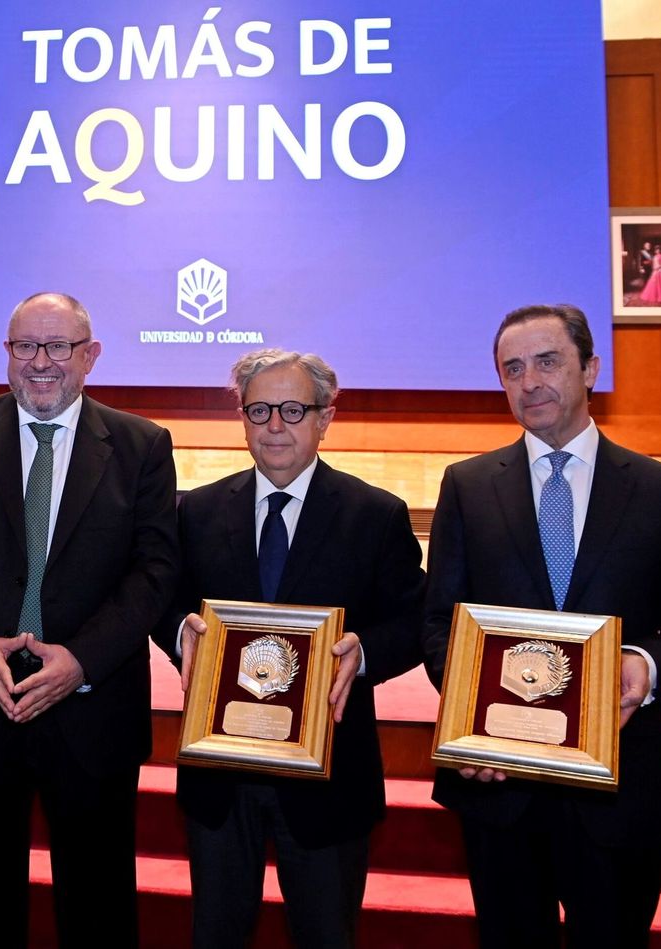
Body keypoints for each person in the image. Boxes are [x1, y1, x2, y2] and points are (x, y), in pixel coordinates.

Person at [423, 304, 661, 948]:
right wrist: (471, 726)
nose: (530, 380)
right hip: (500, 788)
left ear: (591, 368)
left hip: (621, 790)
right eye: (513, 368)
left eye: (547, 361)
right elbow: (439, 628)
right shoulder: (467, 486)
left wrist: (644, 669)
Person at [0, 291, 178, 948]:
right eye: (25, 345)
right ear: (7, 354)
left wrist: (81, 657)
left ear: (90, 356)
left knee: (98, 898)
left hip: (93, 705)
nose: (41, 362)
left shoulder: (142, 445)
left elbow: (155, 572)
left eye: (58, 346)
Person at [155, 349, 426, 948]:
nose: (275, 425)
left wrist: (367, 654)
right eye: (259, 410)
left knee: (325, 936)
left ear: (325, 417)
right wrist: (182, 635)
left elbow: (414, 620)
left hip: (330, 775)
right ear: (243, 418)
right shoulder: (197, 511)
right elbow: (164, 600)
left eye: (293, 409)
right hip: (220, 776)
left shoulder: (376, 515)